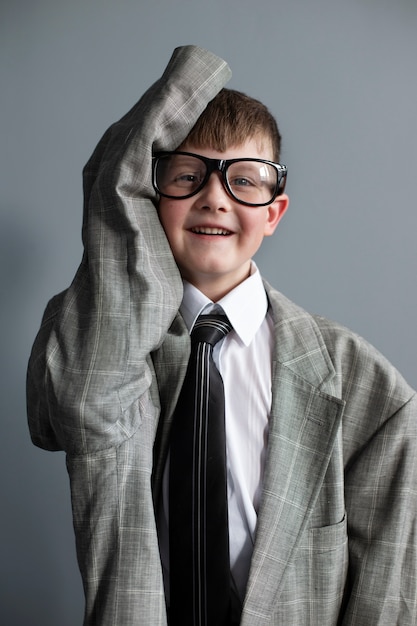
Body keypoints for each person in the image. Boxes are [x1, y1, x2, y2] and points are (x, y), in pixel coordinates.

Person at [26, 45, 417, 626]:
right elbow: (72, 406)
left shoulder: (366, 385)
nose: (215, 196)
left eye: (244, 181)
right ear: (147, 199)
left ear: (274, 213)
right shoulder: (99, 342)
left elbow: (387, 596)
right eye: (188, 176)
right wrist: (191, 76)